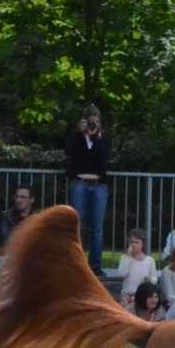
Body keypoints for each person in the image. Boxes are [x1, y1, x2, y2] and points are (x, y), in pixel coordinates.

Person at [65, 104, 110, 275]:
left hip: (98, 186)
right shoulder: (77, 137)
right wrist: (79, 134)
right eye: (89, 121)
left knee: (97, 228)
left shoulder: (103, 138)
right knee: (77, 225)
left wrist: (96, 138)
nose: (92, 125)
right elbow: (71, 152)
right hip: (80, 184)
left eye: (95, 121)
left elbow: (103, 159)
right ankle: (75, 265)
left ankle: (95, 267)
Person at [114, 231, 157, 308]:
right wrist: (128, 257)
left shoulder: (150, 260)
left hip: (144, 295)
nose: (133, 244)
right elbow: (122, 273)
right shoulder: (125, 258)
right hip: (128, 295)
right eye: (131, 242)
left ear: (142, 244)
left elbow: (155, 279)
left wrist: (150, 279)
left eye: (137, 242)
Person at [0, 185, 36, 254]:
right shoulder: (7, 216)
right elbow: (6, 241)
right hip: (11, 255)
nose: (18, 200)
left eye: (23, 197)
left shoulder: (37, 218)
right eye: (17, 196)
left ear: (32, 200)